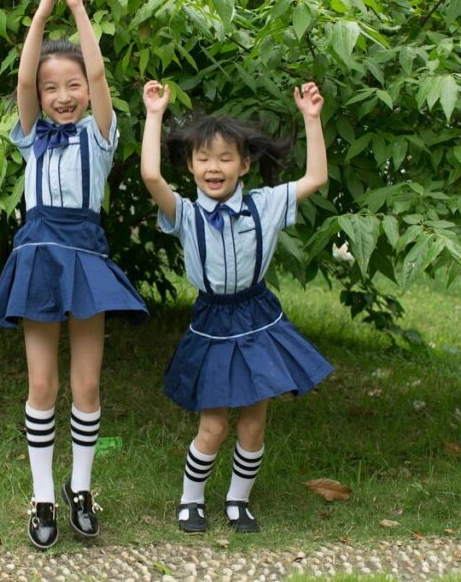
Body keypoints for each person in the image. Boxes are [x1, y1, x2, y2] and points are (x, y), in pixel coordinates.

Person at [0, 0, 149, 549]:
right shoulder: (30, 134)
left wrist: (78, 10)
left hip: (86, 257)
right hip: (37, 256)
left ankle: (81, 489)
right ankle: (42, 496)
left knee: (87, 385)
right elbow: (25, 75)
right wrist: (41, 9)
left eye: (71, 85)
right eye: (53, 88)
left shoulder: (99, 135)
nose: (61, 95)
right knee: (42, 384)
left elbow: (99, 74)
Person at [139, 79, 334, 534]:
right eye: (204, 158)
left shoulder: (265, 205)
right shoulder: (184, 213)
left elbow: (317, 178)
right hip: (212, 321)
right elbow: (151, 177)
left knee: (252, 424)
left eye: (226, 158)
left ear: (244, 165)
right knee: (214, 427)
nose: (214, 166)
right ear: (190, 165)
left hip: (258, 317)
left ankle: (238, 501)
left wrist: (312, 119)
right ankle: (191, 500)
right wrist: (153, 116)